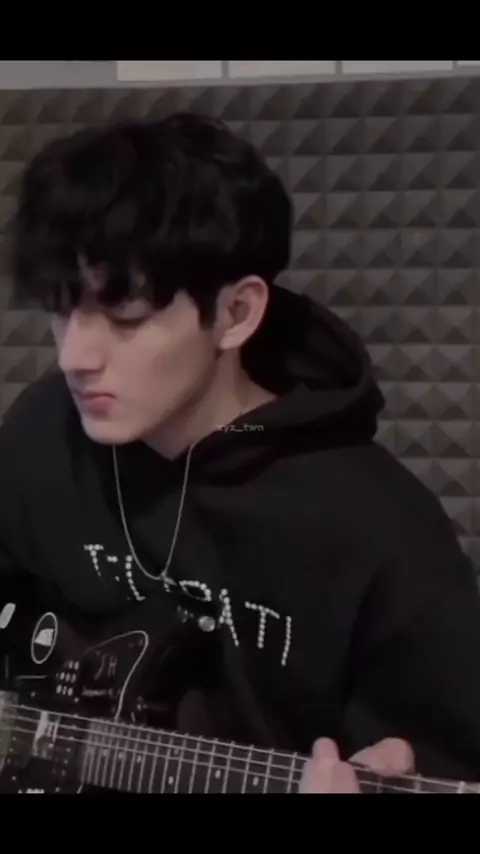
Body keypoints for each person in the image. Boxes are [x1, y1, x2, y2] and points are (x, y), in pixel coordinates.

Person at [2, 111, 480, 795]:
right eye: (61, 308)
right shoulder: (42, 431)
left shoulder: (378, 530)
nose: (75, 355)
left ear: (236, 313)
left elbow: (445, 756)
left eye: (126, 317)